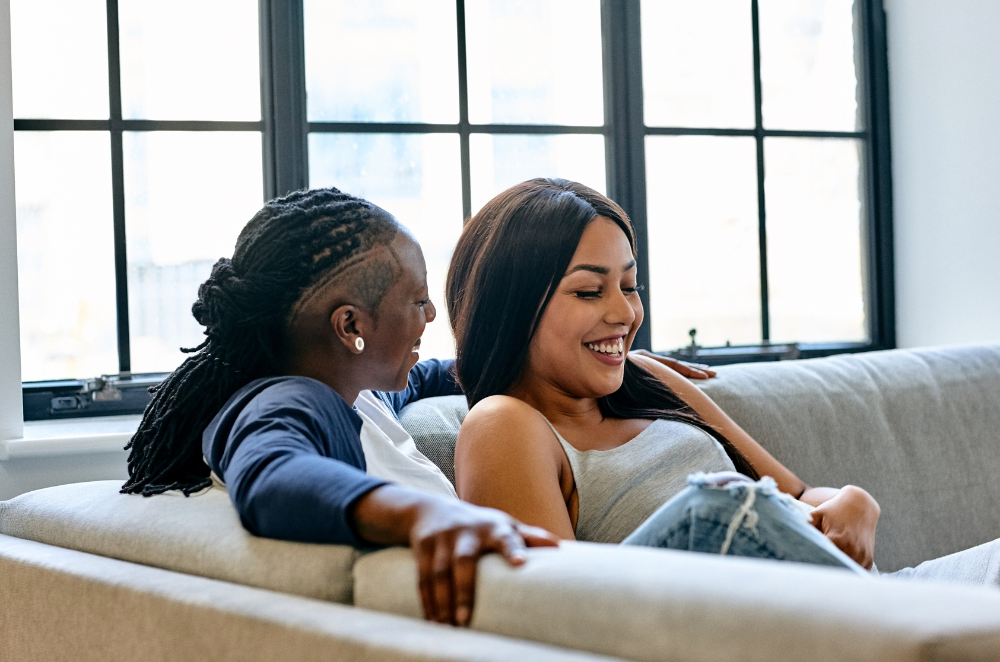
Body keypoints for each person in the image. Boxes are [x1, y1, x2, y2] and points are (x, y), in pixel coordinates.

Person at [446, 178, 1000, 585]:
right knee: (724, 507)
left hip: (886, 596)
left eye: (630, 286)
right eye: (590, 291)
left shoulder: (647, 377)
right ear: (512, 307)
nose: (624, 314)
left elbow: (804, 496)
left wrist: (854, 504)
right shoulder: (505, 425)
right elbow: (558, 612)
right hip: (789, 632)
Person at [120, 187, 563, 627]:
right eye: (417, 300)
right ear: (351, 325)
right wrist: (422, 514)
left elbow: (434, 376)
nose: (430, 315)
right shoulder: (289, 401)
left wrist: (552, 362)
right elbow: (271, 472)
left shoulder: (355, 392)